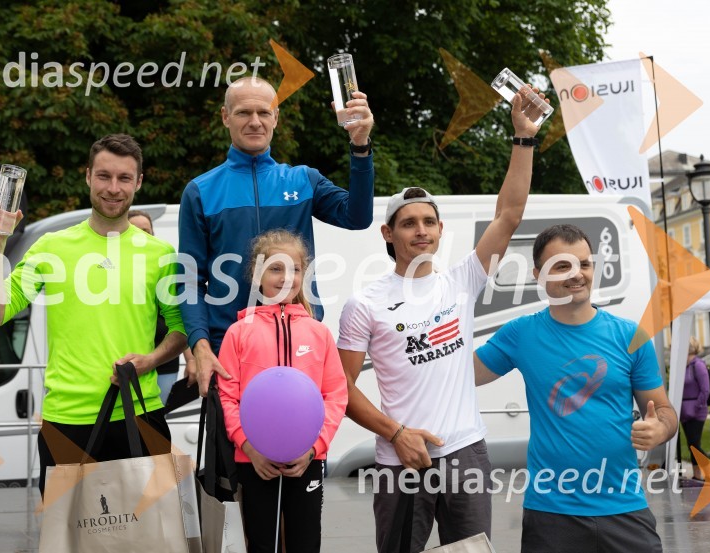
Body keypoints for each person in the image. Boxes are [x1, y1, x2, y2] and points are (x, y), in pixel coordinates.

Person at [337, 90, 543, 552]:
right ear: (388, 233)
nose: (421, 230)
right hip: (401, 458)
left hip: (466, 452)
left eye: (429, 221)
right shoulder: (364, 303)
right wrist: (396, 434)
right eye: (408, 223)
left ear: (440, 230)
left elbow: (509, 215)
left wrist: (523, 139)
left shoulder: (461, 281)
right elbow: (340, 389)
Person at [0, 134, 188, 497]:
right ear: (88, 176)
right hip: (66, 421)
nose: (113, 188)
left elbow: (181, 331)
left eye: (124, 178)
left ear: (138, 182)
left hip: (139, 414)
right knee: (68, 531)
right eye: (104, 176)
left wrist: (151, 360)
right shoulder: (52, 247)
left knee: (150, 529)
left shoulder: (161, 254)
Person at [473, 224, 678, 553]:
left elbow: (665, 411)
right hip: (551, 514)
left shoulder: (631, 336)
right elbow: (458, 375)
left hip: (624, 507)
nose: (577, 274)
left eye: (584, 264)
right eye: (562, 266)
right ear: (538, 275)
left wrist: (660, 429)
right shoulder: (521, 334)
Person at [178, 75, 375, 397]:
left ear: (276, 118)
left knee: (306, 433)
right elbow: (189, 280)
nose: (255, 121)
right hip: (230, 353)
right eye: (244, 112)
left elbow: (358, 218)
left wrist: (360, 146)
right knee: (235, 434)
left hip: (299, 347)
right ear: (225, 117)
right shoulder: (201, 190)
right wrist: (200, 346)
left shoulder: (302, 180)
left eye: (264, 112)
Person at [217, 229, 347, 553]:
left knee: (306, 542)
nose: (286, 277)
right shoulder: (238, 333)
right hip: (254, 461)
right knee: (263, 543)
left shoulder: (319, 333)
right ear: (257, 275)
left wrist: (314, 448)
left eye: (295, 269)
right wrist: (248, 447)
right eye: (275, 268)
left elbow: (335, 395)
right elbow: (227, 396)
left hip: (307, 459)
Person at [128, 209, 197, 404]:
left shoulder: (165, 267)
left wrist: (191, 360)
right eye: (135, 230)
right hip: (125, 362)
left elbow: (179, 318)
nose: (142, 236)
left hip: (164, 363)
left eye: (146, 230)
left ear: (153, 233)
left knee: (155, 416)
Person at [680, 336, 709, 481]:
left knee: (694, 443)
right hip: (684, 411)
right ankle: (697, 474)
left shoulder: (698, 365)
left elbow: (705, 390)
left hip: (696, 411)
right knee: (691, 444)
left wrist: (697, 407)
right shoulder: (683, 366)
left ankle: (708, 471)